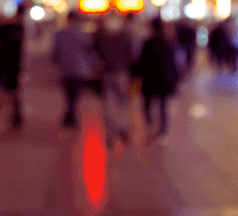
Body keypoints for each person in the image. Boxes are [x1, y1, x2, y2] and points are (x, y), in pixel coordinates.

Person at [133, 18, 179, 142]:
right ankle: (162, 131)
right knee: (163, 106)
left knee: (147, 103)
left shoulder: (148, 43)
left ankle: (150, 124)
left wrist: (136, 75)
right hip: (164, 80)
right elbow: (174, 64)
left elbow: (142, 62)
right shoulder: (169, 43)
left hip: (150, 79)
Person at [51, 11, 99, 130]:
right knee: (75, 95)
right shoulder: (83, 35)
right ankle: (70, 118)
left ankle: (69, 118)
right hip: (80, 70)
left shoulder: (60, 34)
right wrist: (93, 68)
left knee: (69, 95)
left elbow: (55, 54)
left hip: (65, 69)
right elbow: (90, 52)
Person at [93, 12, 133, 147]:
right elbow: (131, 54)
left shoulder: (101, 35)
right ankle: (122, 128)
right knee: (123, 103)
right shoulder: (125, 35)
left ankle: (110, 132)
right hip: (122, 72)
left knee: (108, 104)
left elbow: (95, 51)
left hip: (106, 73)